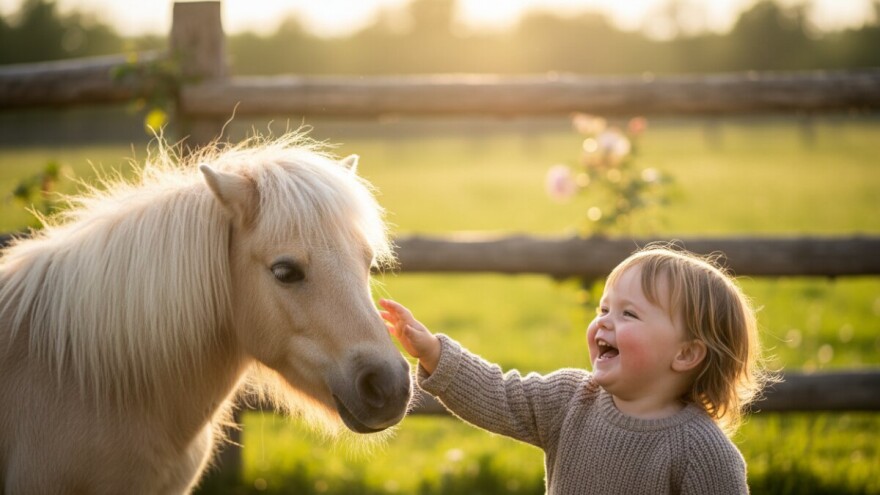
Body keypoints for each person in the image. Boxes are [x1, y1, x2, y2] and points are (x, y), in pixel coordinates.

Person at [379, 245, 773, 494]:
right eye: (603, 309)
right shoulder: (572, 399)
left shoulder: (701, 453)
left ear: (686, 354)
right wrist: (434, 354)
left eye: (628, 313)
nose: (604, 322)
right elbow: (500, 395)